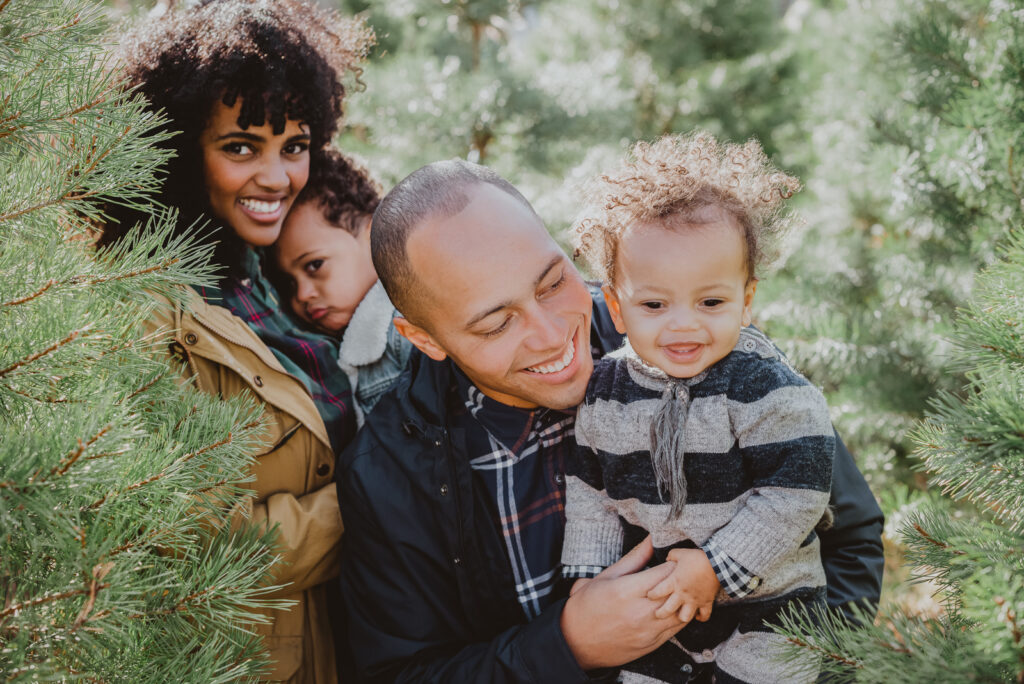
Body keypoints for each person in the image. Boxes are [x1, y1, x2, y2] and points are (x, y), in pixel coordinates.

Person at [336, 159, 885, 683]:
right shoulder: (387, 476)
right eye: (496, 324)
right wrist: (568, 645)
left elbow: (850, 540)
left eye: (553, 283)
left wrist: (801, 666)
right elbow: (403, 673)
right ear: (425, 339)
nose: (552, 336)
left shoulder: (678, 325)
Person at [100, 2, 372, 681]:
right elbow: (198, 546)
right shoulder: (142, 312)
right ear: (177, 145)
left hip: (353, 640)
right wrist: (385, 496)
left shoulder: (284, 271)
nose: (278, 178)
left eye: (295, 146)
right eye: (241, 147)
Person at [562, 132, 832, 683]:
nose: (683, 324)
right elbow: (591, 492)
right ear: (615, 305)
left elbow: (797, 491)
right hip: (662, 602)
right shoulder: (608, 388)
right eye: (655, 304)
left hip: (769, 599)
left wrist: (717, 568)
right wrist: (591, 577)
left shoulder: (762, 384)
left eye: (711, 302)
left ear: (747, 299)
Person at [270, 148, 413, 424]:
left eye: (314, 265)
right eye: (290, 282)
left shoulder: (411, 327)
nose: (302, 294)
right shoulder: (339, 348)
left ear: (376, 234)